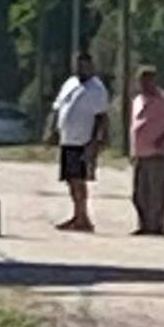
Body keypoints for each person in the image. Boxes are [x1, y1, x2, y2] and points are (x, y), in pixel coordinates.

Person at [50, 52, 110, 232]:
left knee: (79, 180)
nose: (81, 68)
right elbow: (58, 107)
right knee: (70, 179)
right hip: (67, 139)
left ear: (91, 66)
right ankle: (77, 215)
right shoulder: (70, 83)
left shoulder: (97, 89)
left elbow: (101, 116)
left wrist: (96, 141)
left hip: (83, 141)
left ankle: (83, 217)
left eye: (84, 65)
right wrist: (53, 130)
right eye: (78, 65)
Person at [130, 66, 164, 236]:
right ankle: (144, 224)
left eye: (148, 80)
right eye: (141, 80)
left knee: (157, 192)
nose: (144, 84)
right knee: (139, 193)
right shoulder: (138, 100)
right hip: (140, 153)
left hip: (158, 152)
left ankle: (157, 226)